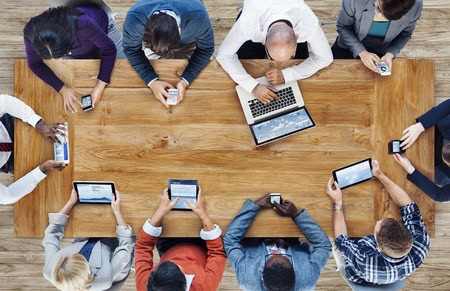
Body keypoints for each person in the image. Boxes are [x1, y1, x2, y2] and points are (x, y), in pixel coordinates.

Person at [327, 160, 430, 285]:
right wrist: (379, 174)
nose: (378, 221)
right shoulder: (421, 242)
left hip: (358, 267)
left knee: (329, 234)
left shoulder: (365, 262)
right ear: (406, 230)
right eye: (384, 221)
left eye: (377, 227)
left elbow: (341, 240)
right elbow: (407, 205)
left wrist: (338, 203)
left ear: (379, 247)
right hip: (390, 271)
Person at [216, 0, 333, 105]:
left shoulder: (308, 23)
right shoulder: (247, 23)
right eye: (271, 57)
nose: (277, 63)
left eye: (290, 54)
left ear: (297, 36)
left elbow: (325, 58)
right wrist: (252, 86)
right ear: (263, 42)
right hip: (256, 12)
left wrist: (287, 75)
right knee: (244, 59)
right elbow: (224, 55)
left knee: (300, 60)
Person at [24, 4, 125, 113]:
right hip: (79, 46)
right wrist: (62, 89)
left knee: (124, 67)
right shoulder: (31, 33)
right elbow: (35, 64)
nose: (56, 61)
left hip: (103, 29)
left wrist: (100, 85)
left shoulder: (83, 24)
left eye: (58, 56)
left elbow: (109, 49)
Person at [223, 193, 331, 291]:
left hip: (254, 236)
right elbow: (324, 246)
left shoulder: (247, 279)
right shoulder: (307, 280)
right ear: (295, 273)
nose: (278, 253)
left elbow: (230, 241)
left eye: (271, 258)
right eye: (285, 258)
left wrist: (255, 206)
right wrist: (296, 215)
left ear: (262, 274)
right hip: (289, 236)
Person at [123, 0, 214, 108]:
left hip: (190, 41)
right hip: (156, 43)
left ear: (180, 31)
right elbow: (131, 50)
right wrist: (151, 81)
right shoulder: (135, 19)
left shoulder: (198, 17)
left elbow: (206, 49)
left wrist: (186, 80)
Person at [134, 188, 227, 291]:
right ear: (185, 283)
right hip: (203, 244)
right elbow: (218, 253)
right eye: (178, 266)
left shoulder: (146, 285)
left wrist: (159, 212)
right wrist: (204, 216)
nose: (176, 260)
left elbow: (142, 248)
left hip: (168, 244)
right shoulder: (205, 287)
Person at [42, 190, 134, 290]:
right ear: (85, 265)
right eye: (73, 255)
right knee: (132, 233)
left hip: (86, 240)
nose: (67, 252)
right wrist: (117, 211)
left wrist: (71, 202)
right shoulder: (104, 278)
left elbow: (51, 234)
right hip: (114, 252)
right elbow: (125, 245)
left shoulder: (50, 270)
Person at [0, 94, 66, 205]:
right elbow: (8, 197)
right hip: (15, 161)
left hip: (14, 125)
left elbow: (4, 101)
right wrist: (41, 170)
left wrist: (38, 123)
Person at [332, 0, 423, 74]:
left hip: (382, 51)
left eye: (388, 16)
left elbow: (405, 33)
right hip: (347, 45)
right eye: (378, 7)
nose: (378, 16)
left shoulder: (416, 6)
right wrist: (362, 52)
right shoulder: (354, 1)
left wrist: (390, 54)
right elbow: (343, 26)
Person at [393, 99, 450, 202]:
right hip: (441, 129)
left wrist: (410, 169)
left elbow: (438, 195)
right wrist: (421, 126)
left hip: (437, 165)